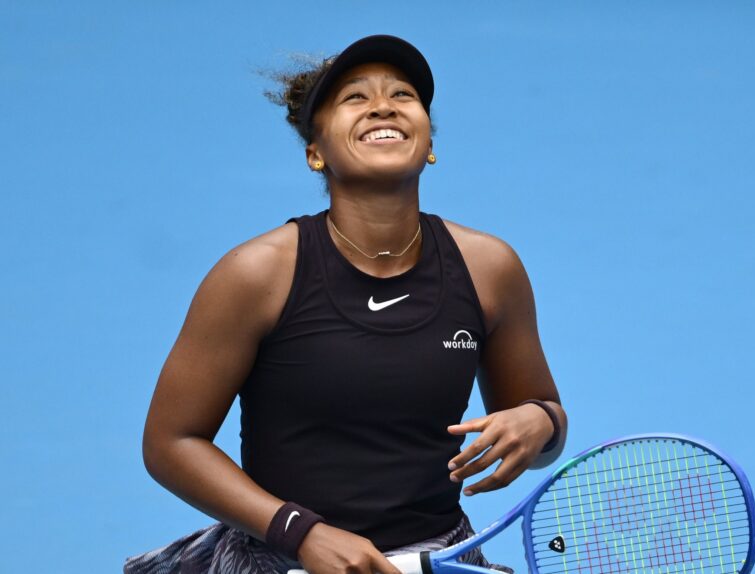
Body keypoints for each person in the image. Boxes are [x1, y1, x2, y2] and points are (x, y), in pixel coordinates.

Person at [124, 35, 567, 574]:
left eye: (403, 95)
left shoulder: (491, 269)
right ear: (316, 153)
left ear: (429, 143)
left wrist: (539, 421)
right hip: (280, 556)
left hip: (438, 553)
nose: (383, 106)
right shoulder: (256, 274)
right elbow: (170, 442)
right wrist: (301, 533)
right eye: (355, 98)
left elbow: (545, 419)